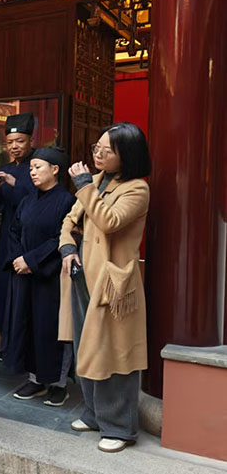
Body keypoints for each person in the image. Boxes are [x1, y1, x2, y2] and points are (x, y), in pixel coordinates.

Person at [59, 123, 151, 453]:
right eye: (96, 147)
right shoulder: (96, 180)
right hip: (81, 275)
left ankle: (120, 427)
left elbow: (109, 221)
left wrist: (85, 185)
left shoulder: (137, 189)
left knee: (115, 354)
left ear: (126, 155)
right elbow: (70, 220)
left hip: (112, 283)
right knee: (87, 347)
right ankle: (94, 415)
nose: (97, 154)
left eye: (106, 150)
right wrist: (67, 247)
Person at [1, 147, 75, 407]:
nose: (32, 172)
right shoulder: (27, 200)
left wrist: (32, 261)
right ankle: (35, 378)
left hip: (50, 276)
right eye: (31, 168)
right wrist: (18, 259)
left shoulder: (67, 201)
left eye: (37, 167)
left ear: (55, 170)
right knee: (28, 325)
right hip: (24, 273)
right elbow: (13, 231)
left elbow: (62, 238)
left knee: (51, 329)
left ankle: (58, 383)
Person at [0, 113, 37, 359]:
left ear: (31, 141)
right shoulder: (3, 170)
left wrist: (16, 184)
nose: (15, 146)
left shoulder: (39, 166)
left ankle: (25, 347)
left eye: (20, 141)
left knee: (25, 293)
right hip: (8, 236)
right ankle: (6, 343)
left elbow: (42, 201)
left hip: (31, 239)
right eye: (10, 142)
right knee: (5, 290)